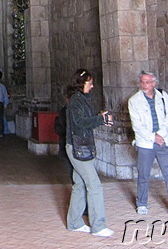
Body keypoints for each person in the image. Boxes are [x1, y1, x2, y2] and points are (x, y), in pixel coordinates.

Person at [128, 71, 168, 221]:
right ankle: (142, 203)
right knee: (143, 174)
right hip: (145, 143)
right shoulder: (134, 101)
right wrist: (153, 137)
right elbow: (137, 125)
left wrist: (161, 134)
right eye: (142, 82)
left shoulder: (163, 96)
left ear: (154, 83)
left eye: (147, 82)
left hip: (163, 140)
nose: (144, 85)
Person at [65, 69, 114, 237]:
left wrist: (100, 117)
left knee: (79, 185)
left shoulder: (81, 99)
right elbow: (79, 123)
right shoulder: (76, 100)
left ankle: (74, 222)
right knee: (94, 185)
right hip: (77, 147)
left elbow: (85, 119)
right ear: (81, 83)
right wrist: (100, 119)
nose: (92, 86)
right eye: (89, 82)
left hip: (80, 146)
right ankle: (98, 226)